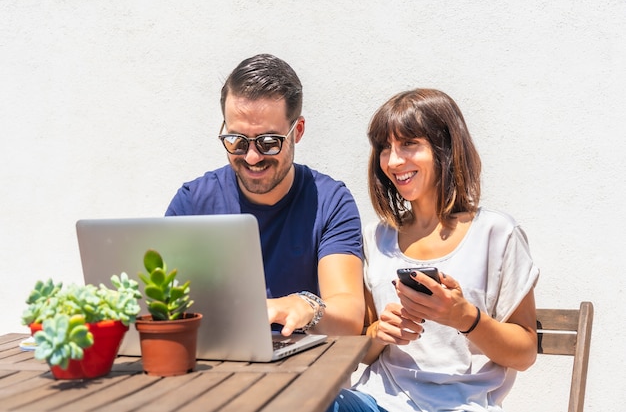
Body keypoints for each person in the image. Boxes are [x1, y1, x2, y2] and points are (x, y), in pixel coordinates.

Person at [327, 89, 539, 412]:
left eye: (409, 144)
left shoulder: (497, 234)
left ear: (445, 148)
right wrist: (380, 333)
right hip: (377, 401)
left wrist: (462, 316)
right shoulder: (376, 239)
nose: (394, 160)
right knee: (312, 401)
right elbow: (364, 351)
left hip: (462, 404)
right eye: (385, 147)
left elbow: (524, 351)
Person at [165, 54, 364, 337]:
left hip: (304, 374)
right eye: (237, 141)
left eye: (269, 142)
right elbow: (161, 303)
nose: (252, 156)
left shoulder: (329, 202)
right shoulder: (194, 202)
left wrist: (306, 307)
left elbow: (350, 316)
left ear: (299, 131)